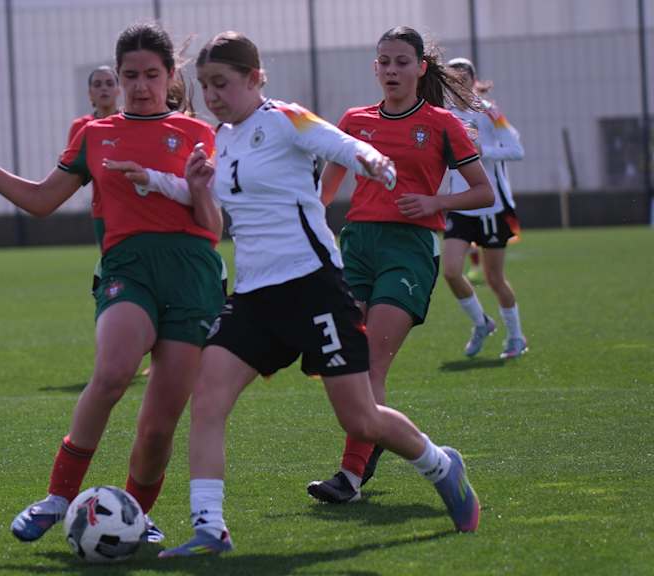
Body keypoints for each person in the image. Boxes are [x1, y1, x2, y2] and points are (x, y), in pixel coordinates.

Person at [109, 30, 482, 557]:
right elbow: (204, 193)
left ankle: (442, 467)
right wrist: (153, 178)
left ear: (255, 79)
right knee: (208, 398)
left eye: (222, 84)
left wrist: (373, 161)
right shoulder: (219, 139)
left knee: (360, 417)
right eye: (205, 85)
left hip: (313, 288)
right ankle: (209, 528)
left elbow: (341, 143)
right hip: (254, 296)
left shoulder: (286, 118)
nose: (212, 95)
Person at [0, 22, 225, 545]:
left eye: (151, 75)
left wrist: (201, 190)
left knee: (158, 427)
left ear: (170, 75)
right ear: (118, 76)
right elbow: (41, 200)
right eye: (131, 75)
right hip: (128, 269)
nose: (140, 86)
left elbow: (213, 225)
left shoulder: (197, 133)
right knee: (112, 373)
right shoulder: (95, 135)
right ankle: (57, 497)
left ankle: (135, 516)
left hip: (193, 278)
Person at [306, 26, 494, 505]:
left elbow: (483, 191)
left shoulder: (441, 124)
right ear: (375, 67)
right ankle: (375, 445)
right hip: (357, 247)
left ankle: (350, 476)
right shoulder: (354, 120)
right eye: (384, 62)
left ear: (420, 68)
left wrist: (435, 201)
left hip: (409, 250)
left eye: (402, 62)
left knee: (371, 364)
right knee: (348, 364)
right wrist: (305, 228)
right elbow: (326, 191)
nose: (392, 70)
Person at [441, 57, 528, 359]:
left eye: (463, 80)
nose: (458, 86)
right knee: (451, 271)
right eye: (453, 81)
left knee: (494, 279)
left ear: (473, 82)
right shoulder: (444, 115)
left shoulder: (490, 112)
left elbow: (516, 150)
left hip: (492, 207)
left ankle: (516, 337)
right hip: (460, 206)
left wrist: (483, 151)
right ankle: (481, 323)